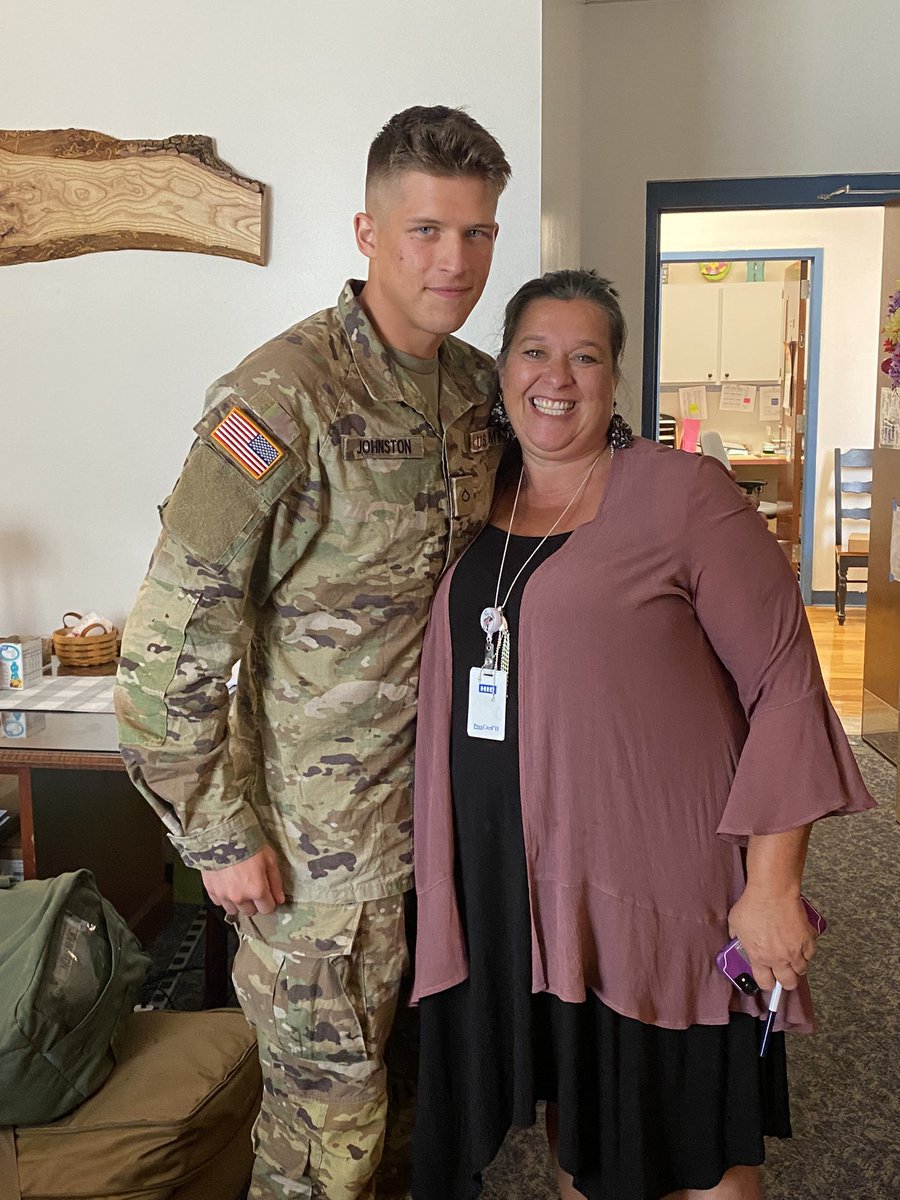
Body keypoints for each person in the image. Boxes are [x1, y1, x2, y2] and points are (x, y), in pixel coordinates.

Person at [115, 105, 511, 1200]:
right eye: (427, 230)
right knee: (323, 1146)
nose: (457, 261)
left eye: (477, 233)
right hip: (317, 868)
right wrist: (217, 836)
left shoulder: (478, 392)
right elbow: (165, 647)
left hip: (450, 837)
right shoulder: (278, 401)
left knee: (438, 1120)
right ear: (367, 233)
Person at [409, 268, 874, 1200]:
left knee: (699, 1152)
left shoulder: (682, 495)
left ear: (616, 379)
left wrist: (774, 887)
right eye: (536, 352)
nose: (559, 376)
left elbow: (787, 683)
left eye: (587, 356)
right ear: (501, 370)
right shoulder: (469, 502)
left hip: (659, 896)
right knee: (587, 1138)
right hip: (526, 897)